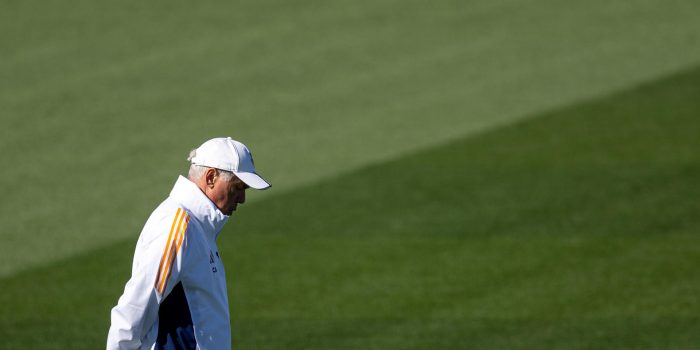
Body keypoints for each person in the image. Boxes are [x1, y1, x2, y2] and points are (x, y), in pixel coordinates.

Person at [107, 137, 271, 350]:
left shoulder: (199, 227)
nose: (242, 198)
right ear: (211, 177)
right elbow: (135, 307)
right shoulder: (179, 228)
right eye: (238, 187)